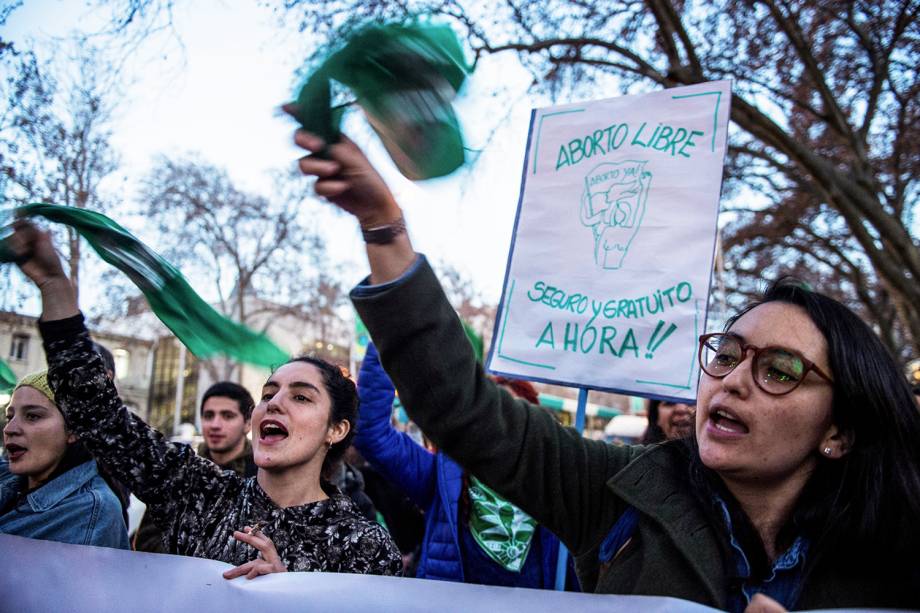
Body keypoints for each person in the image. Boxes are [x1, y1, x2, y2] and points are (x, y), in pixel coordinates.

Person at [292, 128, 920, 610]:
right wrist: (384, 229)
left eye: (779, 370)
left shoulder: (893, 552)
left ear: (839, 431)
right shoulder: (622, 492)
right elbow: (463, 407)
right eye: (726, 354)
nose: (731, 379)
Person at [5, 220, 401, 579]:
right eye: (268, 393)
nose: (274, 403)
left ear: (336, 429)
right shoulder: (198, 492)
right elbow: (98, 414)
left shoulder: (365, 548)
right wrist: (54, 285)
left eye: (301, 397)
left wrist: (287, 598)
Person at [356, 343, 578, 589]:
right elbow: (371, 434)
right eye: (490, 412)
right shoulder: (442, 476)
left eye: (513, 414)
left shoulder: (558, 485)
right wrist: (387, 340)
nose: (500, 424)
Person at [1, 371, 129, 549]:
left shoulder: (90, 512)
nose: (9, 429)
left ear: (74, 430)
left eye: (32, 416)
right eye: (10, 417)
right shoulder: (8, 477)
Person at [134, 381, 257, 553]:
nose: (215, 424)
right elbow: (147, 541)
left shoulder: (262, 477)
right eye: (208, 415)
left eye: (227, 416)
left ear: (248, 423)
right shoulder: (180, 472)